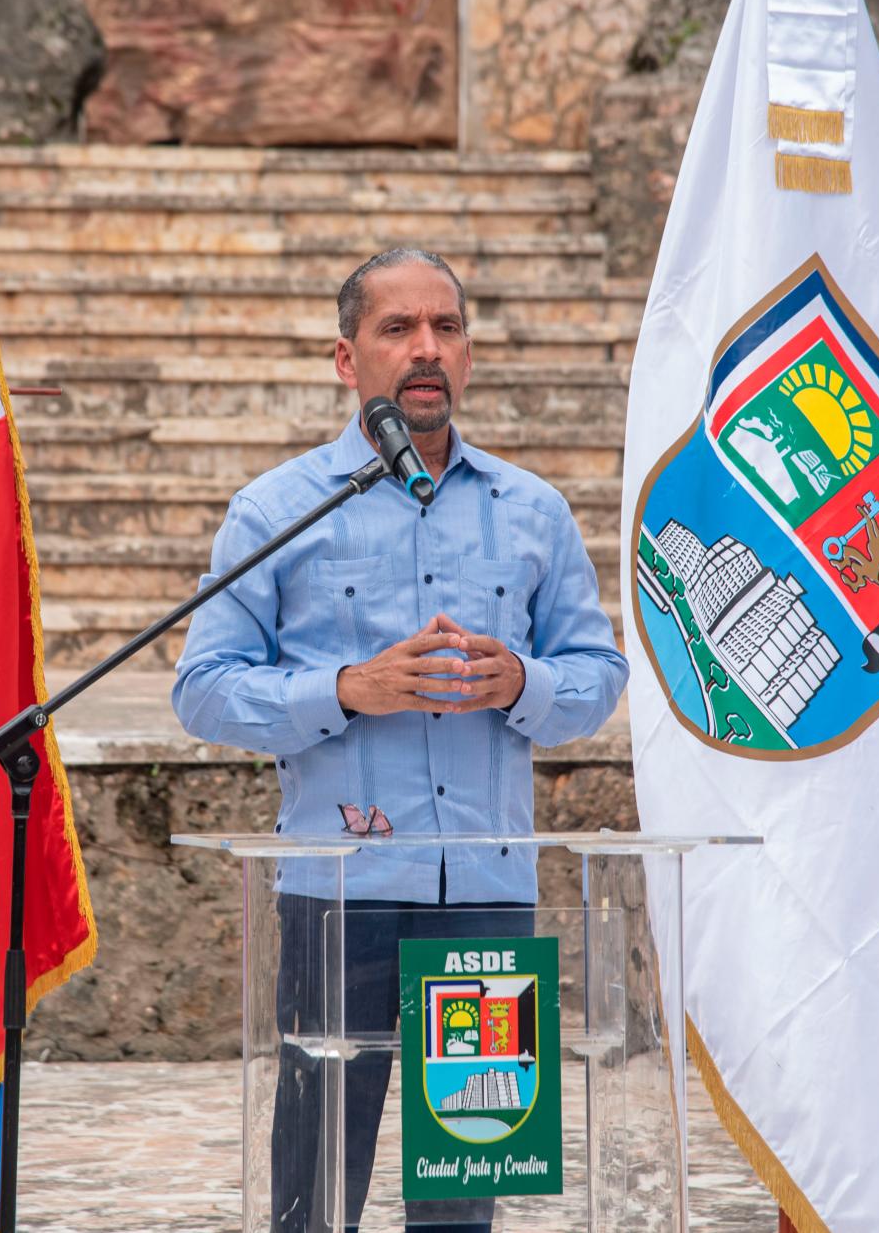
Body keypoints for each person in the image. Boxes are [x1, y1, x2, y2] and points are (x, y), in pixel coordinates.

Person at [172, 248, 629, 1232]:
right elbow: (203, 689)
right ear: (347, 359)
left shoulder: (533, 512)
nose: (426, 348)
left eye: (445, 327)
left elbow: (598, 675)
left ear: (467, 354)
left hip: (486, 897)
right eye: (397, 328)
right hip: (339, 896)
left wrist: (522, 682)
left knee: (464, 1194)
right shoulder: (279, 509)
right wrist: (348, 688)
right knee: (315, 1192)